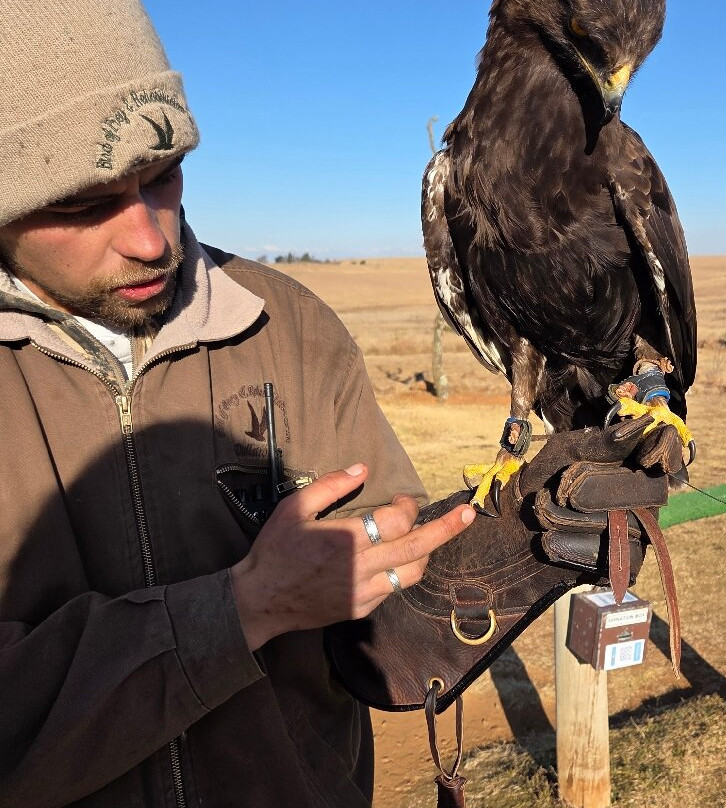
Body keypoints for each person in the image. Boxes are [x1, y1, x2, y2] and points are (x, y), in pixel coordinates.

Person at [0, 2, 475, 806]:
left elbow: (390, 604)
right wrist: (241, 610)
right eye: (82, 204)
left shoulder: (286, 321)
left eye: (163, 176)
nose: (151, 238)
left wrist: (510, 547)